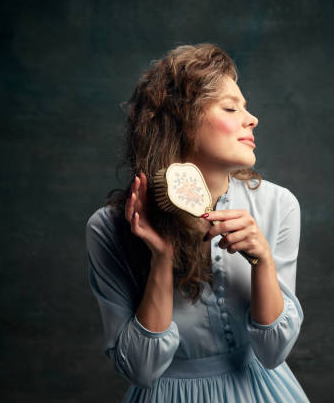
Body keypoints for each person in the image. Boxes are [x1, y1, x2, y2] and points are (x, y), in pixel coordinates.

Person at [85, 43, 309, 402]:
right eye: (231, 108)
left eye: (246, 108)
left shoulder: (278, 204)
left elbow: (274, 352)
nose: (251, 119)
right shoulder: (109, 227)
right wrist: (161, 258)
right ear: (181, 121)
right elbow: (140, 370)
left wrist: (262, 260)